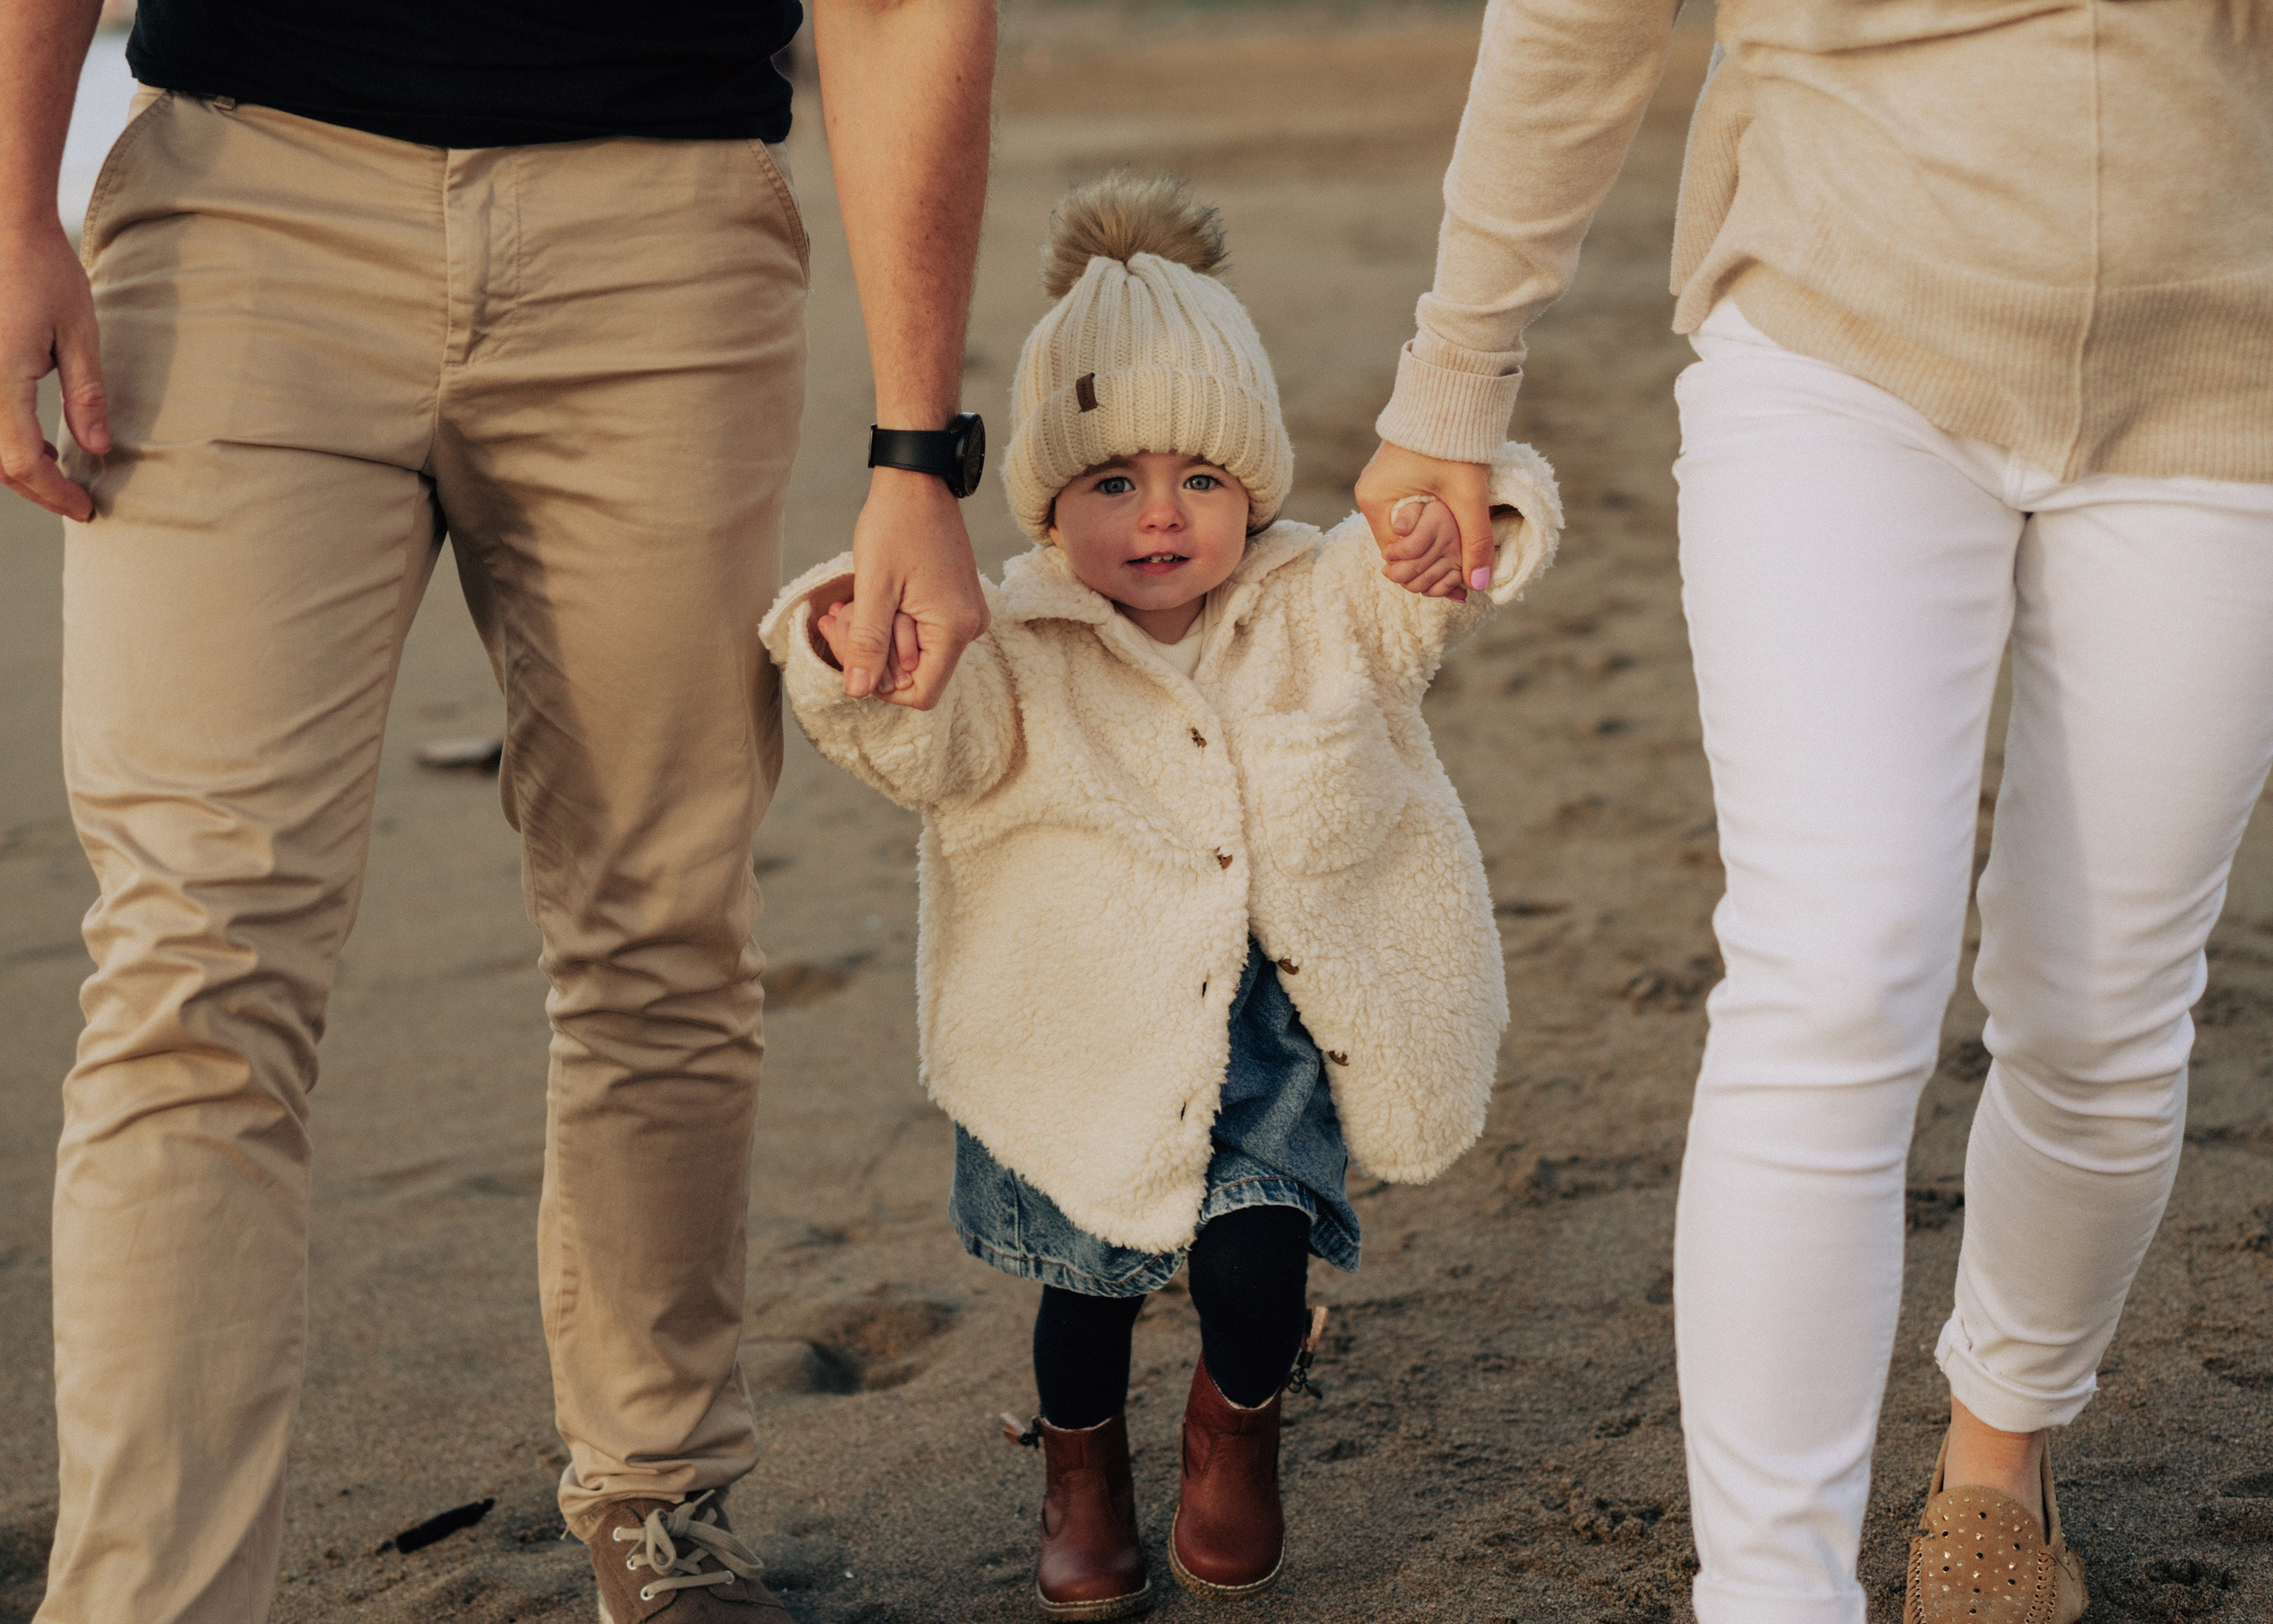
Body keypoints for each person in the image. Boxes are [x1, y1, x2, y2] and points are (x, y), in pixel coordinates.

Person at [0, 0, 996, 1616]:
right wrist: (10, 206)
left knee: (660, 929)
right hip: (242, 207)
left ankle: (660, 1502)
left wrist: (915, 456)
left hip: (662, 229)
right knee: (194, 963)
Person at [1355, 9, 2273, 1624]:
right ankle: (1770, 1592)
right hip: (1842, 320)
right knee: (1833, 968)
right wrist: (1458, 368)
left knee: (2102, 1013)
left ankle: (1998, 1451)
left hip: (2229, 378)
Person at [763, 174, 1562, 1618]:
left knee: (1258, 1266)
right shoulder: (1010, 636)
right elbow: (925, 747)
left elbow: (1419, 590)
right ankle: (1081, 1467)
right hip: (1076, 1025)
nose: (1159, 519)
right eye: (1112, 481)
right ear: (1047, 500)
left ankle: (1232, 1418)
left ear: (1250, 488)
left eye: (1200, 479)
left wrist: (1462, 519)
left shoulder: (1315, 595)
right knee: (1088, 1294)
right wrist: (854, 658)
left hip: (1266, 1014)